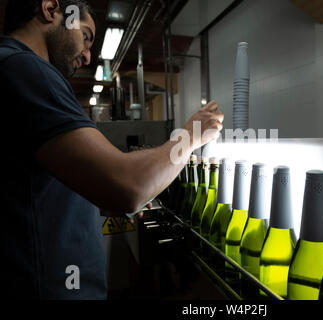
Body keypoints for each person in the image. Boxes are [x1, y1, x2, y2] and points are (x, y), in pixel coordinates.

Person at [0, 0, 223, 299]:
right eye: (86, 36)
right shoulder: (25, 69)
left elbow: (66, 185)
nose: (89, 55)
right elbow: (127, 187)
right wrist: (191, 136)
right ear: (52, 9)